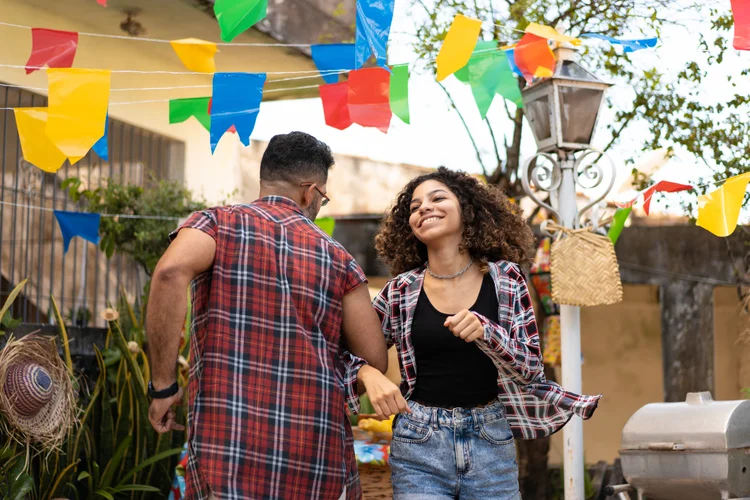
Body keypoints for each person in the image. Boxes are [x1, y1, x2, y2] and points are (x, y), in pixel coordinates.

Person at [146, 131, 389, 500]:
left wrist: (163, 386)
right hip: (315, 463)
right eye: (323, 196)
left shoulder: (215, 224)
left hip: (225, 460)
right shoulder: (341, 260)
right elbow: (373, 359)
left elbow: (168, 273)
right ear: (310, 191)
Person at [352, 167, 601, 500]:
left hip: (490, 440)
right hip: (418, 444)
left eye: (437, 198)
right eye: (414, 207)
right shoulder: (400, 290)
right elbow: (344, 352)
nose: (424, 207)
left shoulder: (507, 278)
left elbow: (530, 369)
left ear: (467, 210)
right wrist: (368, 373)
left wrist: (488, 333)